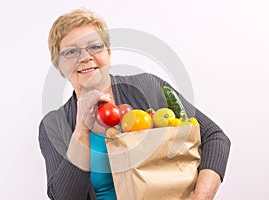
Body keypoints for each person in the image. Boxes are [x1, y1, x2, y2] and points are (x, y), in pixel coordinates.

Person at [39, 9, 231, 200]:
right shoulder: (54, 124)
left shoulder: (147, 86)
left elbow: (214, 137)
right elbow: (62, 196)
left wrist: (201, 196)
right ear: (59, 67)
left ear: (108, 53)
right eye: (71, 51)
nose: (85, 57)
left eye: (95, 47)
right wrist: (81, 131)